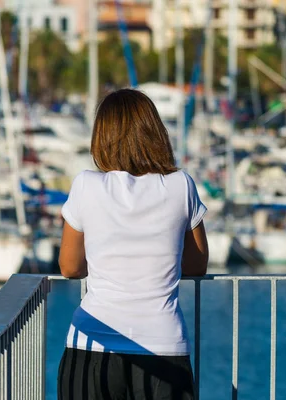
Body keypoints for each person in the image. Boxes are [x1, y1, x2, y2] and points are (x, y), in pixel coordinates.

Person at [57, 88, 209, 400]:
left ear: (102, 136)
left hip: (93, 342)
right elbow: (197, 264)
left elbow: (70, 268)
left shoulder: (87, 184)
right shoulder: (181, 185)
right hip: (163, 345)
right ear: (156, 132)